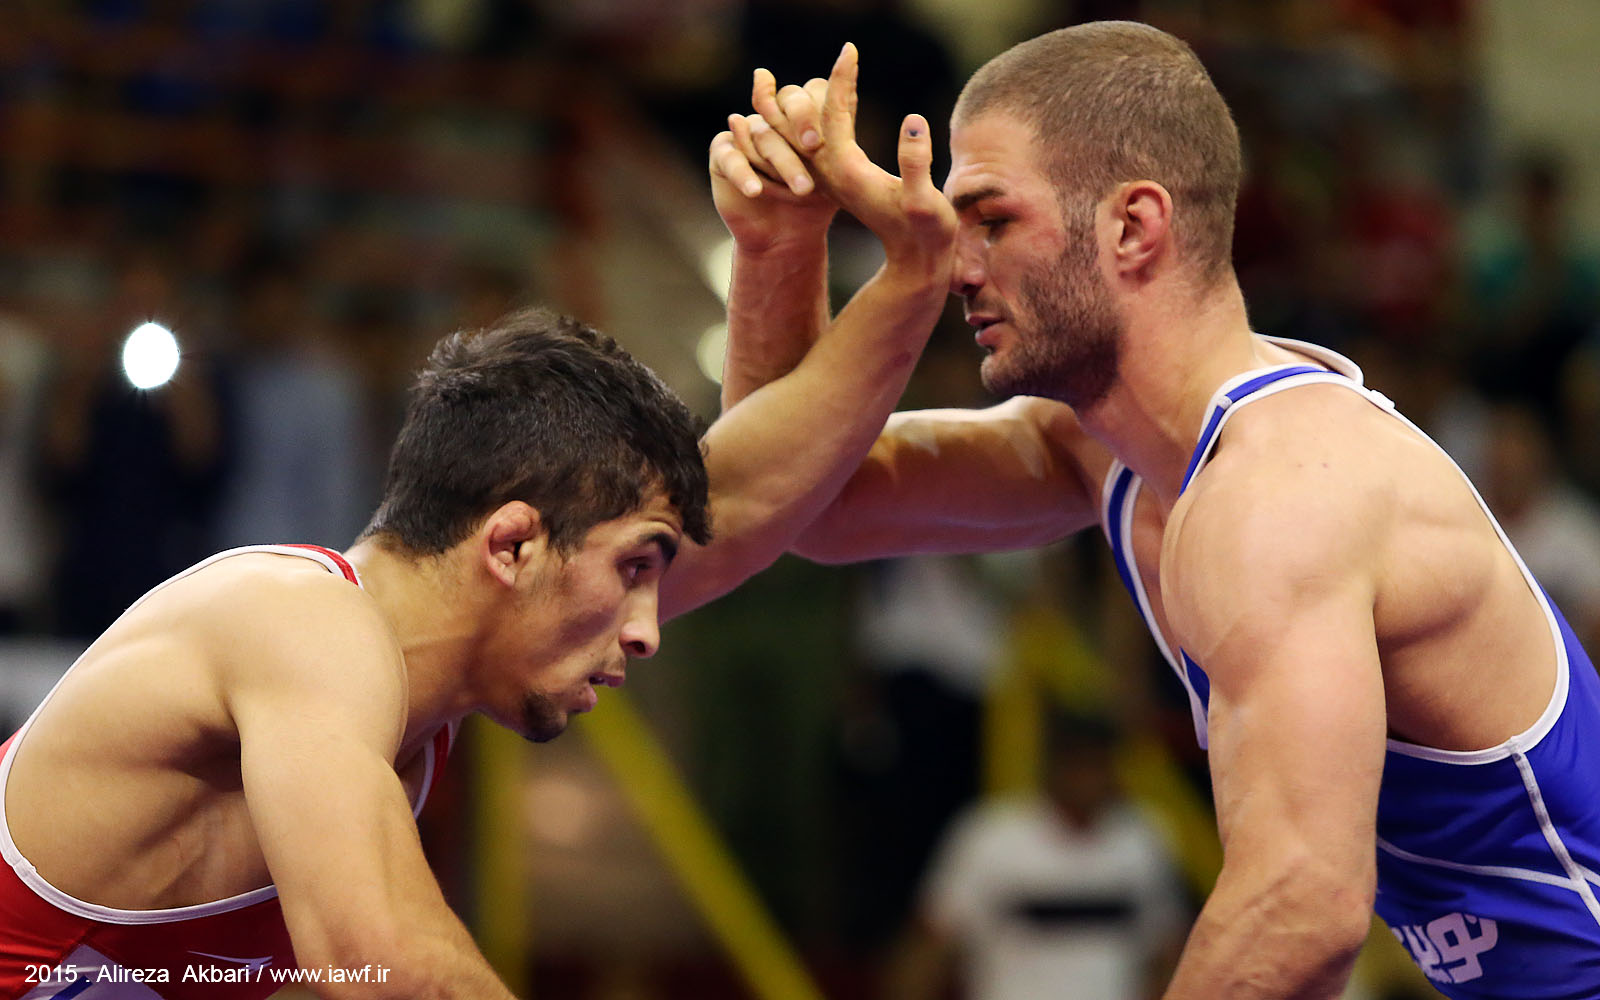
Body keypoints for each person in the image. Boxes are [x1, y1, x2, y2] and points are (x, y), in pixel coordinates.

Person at [709, 23, 1600, 998]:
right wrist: (780, 249)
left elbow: (1302, 906)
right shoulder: (1112, 452)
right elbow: (806, 498)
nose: (956, 265)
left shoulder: (1283, 488)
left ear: (1133, 227)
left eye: (991, 220)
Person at [0, 231, 951, 1000]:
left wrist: (918, 273)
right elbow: (389, 965)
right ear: (511, 545)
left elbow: (745, 502)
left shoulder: (406, 697)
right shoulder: (294, 622)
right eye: (634, 569)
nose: (648, 628)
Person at [885, 713, 1186, 1000]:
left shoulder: (1144, 839)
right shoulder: (992, 836)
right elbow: (928, 947)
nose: (1087, 776)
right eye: (1076, 762)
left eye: (1096, 763)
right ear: (1052, 765)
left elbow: (1167, 950)